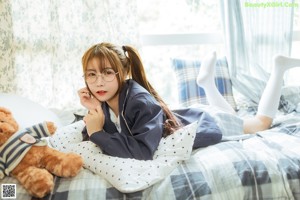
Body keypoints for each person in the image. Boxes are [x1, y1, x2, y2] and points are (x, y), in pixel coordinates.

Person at [78, 42, 300, 160]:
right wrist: (94, 110)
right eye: (91, 74)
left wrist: (97, 133)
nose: (98, 83)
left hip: (208, 122)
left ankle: (279, 68)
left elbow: (143, 152)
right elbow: (107, 130)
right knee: (237, 115)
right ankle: (207, 84)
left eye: (107, 72)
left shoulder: (139, 101)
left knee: (260, 123)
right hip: (192, 114)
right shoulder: (106, 100)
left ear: (124, 71)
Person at [196, 52, 300, 134]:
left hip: (195, 128)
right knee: (233, 119)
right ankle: (208, 86)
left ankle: (279, 68)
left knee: (261, 122)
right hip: (196, 118)